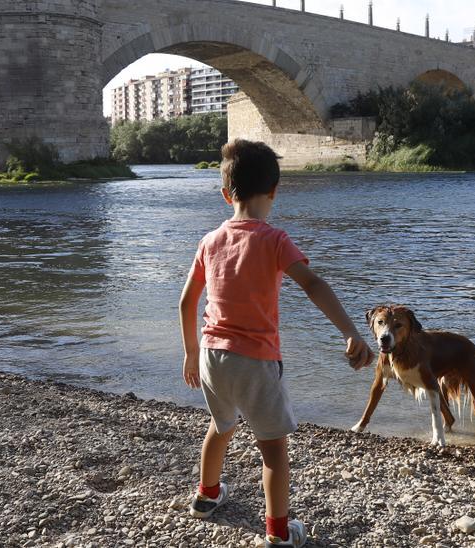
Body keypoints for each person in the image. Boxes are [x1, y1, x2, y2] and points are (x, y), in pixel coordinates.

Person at [178, 139, 375, 547]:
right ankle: (278, 533)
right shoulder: (273, 239)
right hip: (255, 361)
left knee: (221, 425)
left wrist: (191, 353)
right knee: (273, 451)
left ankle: (206, 496)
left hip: (213, 355)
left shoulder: (209, 241)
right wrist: (350, 331)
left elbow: (186, 301)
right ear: (273, 191)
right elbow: (313, 283)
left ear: (225, 193)